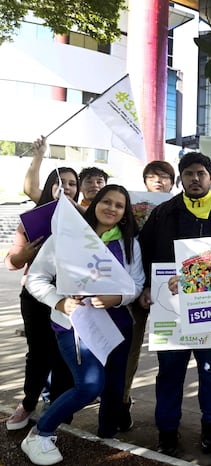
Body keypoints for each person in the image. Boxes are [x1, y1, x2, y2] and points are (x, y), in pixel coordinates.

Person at [22, 185, 144, 465]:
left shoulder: (130, 243)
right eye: (107, 202)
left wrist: (118, 297)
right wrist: (59, 302)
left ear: (125, 213)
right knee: (89, 385)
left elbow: (136, 284)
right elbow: (36, 279)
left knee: (114, 386)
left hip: (117, 324)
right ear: (94, 204)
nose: (112, 208)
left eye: (119, 205)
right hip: (73, 324)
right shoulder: (66, 237)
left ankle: (107, 436)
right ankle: (40, 432)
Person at [138, 152, 211, 456]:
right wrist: (146, 286)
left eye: (200, 173)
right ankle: (167, 431)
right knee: (169, 372)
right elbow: (144, 252)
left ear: (210, 176)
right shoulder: (163, 212)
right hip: (170, 307)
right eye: (189, 174)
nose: (195, 179)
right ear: (181, 178)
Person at [5, 168, 79, 432]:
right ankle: (27, 403)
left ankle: (56, 409)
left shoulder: (83, 219)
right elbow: (12, 261)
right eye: (61, 183)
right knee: (38, 353)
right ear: (50, 186)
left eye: (72, 184)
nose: (67, 187)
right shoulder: (34, 220)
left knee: (64, 355)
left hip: (70, 296)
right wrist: (24, 253)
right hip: (36, 295)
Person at [119, 159, 177, 432]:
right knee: (130, 348)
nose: (158, 180)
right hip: (136, 287)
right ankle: (122, 400)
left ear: (172, 182)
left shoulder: (180, 207)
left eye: (164, 176)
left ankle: (168, 419)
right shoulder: (127, 207)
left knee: (171, 353)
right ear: (144, 181)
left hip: (172, 288)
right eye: (152, 176)